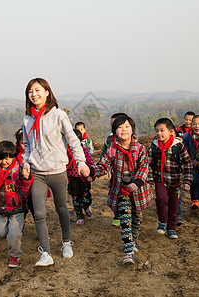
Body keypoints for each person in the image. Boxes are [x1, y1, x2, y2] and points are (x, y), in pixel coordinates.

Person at [22, 78, 90, 267]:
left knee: (61, 209)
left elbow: (73, 141)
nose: (33, 94)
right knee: (39, 213)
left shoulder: (58, 115)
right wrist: (26, 163)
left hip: (58, 171)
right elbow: (27, 145)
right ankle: (46, 253)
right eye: (30, 92)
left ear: (47, 92)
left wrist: (81, 163)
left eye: (37, 90)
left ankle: (66, 243)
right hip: (37, 172)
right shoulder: (27, 118)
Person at [90, 115, 153, 264]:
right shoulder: (112, 150)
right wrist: (91, 171)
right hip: (121, 192)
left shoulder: (140, 149)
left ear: (132, 129)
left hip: (139, 191)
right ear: (114, 132)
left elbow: (144, 168)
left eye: (126, 126)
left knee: (137, 219)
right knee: (125, 219)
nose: (123, 130)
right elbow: (102, 166)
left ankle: (134, 240)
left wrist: (137, 182)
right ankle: (128, 252)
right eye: (119, 127)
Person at [148, 118, 192, 239]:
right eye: (156, 131)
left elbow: (187, 163)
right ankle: (162, 222)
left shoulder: (178, 146)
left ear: (170, 131)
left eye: (162, 130)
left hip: (175, 180)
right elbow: (149, 164)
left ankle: (171, 228)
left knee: (174, 204)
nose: (159, 134)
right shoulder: (154, 146)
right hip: (160, 179)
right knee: (162, 199)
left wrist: (187, 181)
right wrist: (150, 180)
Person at [100, 112, 128, 227]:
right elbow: (103, 156)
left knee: (126, 195)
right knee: (116, 193)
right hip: (115, 174)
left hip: (128, 175)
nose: (114, 126)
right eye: (113, 124)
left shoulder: (131, 140)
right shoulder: (109, 139)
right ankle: (117, 215)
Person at [67, 129, 95, 225]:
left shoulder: (84, 151)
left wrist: (91, 175)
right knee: (76, 200)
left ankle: (86, 206)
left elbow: (90, 163)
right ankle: (80, 216)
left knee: (86, 198)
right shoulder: (65, 152)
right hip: (72, 180)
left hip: (84, 179)